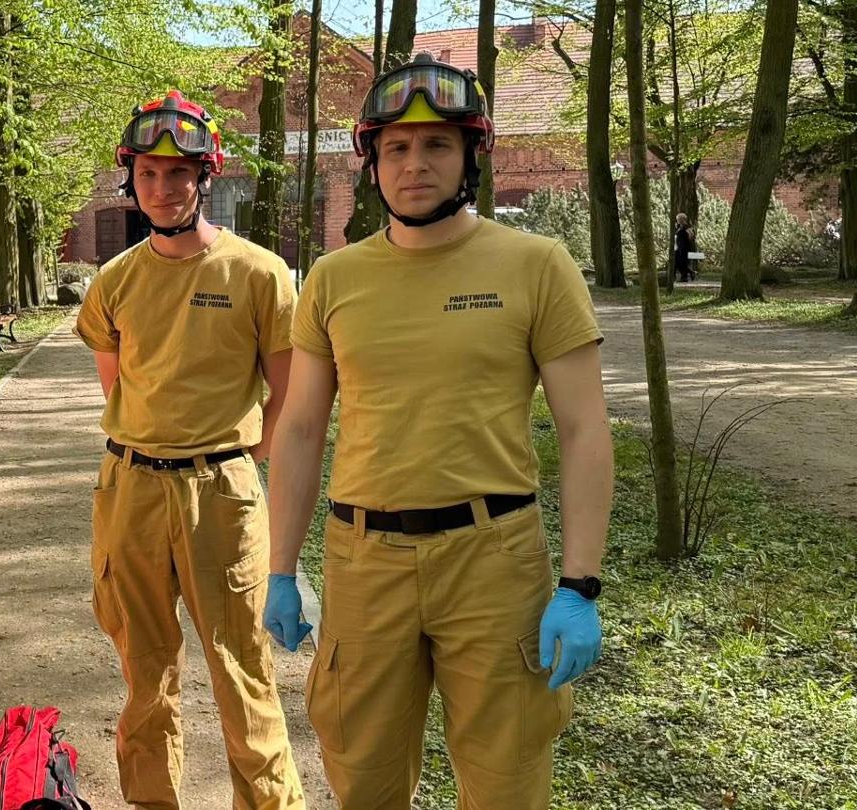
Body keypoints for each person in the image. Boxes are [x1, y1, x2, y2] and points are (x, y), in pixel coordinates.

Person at [262, 52, 613, 809]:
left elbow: (585, 430)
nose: (414, 163)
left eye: (436, 145)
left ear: (469, 157)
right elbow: (298, 430)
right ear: (372, 163)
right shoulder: (333, 278)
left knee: (506, 782)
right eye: (395, 147)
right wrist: (280, 568)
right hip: (364, 564)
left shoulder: (536, 266)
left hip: (493, 562)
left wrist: (580, 586)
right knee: (363, 779)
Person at [74, 89, 307, 810]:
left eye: (180, 173)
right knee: (145, 676)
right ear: (131, 180)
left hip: (221, 494)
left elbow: (288, 399)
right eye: (149, 174)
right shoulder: (114, 282)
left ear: (208, 176)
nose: (164, 188)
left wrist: (231, 464)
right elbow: (119, 389)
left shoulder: (260, 274)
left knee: (242, 671)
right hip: (131, 491)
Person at [673, 213, 696, 282]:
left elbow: (691, 236)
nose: (677, 221)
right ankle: (690, 273)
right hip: (678, 247)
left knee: (682, 262)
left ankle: (685, 276)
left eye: (678, 219)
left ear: (682, 219)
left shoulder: (686, 227)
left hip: (684, 248)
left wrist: (689, 239)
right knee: (676, 262)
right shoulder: (679, 227)